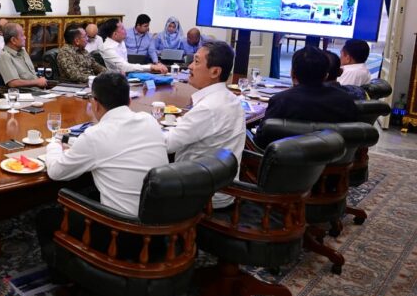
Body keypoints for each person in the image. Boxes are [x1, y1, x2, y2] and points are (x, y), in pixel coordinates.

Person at [45, 72, 169, 215]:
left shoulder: (95, 135)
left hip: (124, 227)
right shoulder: (149, 120)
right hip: (163, 219)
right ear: (129, 101)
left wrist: (54, 144)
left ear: (95, 104)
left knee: (45, 218)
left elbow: (55, 172)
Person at [163, 41, 245, 208]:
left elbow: (167, 145)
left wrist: (143, 127)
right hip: (223, 186)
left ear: (215, 71)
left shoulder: (208, 108)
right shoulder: (230, 98)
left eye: (197, 62)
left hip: (203, 195)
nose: (190, 67)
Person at [254, 45, 358, 148]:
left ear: (292, 73)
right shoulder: (346, 100)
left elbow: (260, 141)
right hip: (335, 160)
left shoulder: (281, 100)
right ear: (326, 75)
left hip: (286, 162)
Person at [99, 18, 167, 74]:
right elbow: (124, 66)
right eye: (122, 28)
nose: (125, 30)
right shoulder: (107, 48)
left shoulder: (121, 42)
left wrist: (153, 65)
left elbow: (125, 65)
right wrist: (150, 67)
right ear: (115, 34)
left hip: (125, 75)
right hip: (113, 81)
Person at [0, 23, 48, 88]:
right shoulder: (5, 56)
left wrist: (40, 80)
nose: (25, 37)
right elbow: (13, 83)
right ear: (13, 40)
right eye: (22, 35)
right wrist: (37, 82)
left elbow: (32, 75)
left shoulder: (23, 52)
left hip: (38, 90)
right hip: (25, 94)